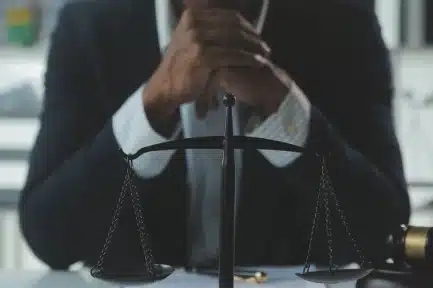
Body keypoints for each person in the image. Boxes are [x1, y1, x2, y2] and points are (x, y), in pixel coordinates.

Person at [18, 0, 410, 271]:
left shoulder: (343, 24)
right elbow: (50, 237)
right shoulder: (89, 26)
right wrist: (152, 106)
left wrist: (283, 106)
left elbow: (384, 233)